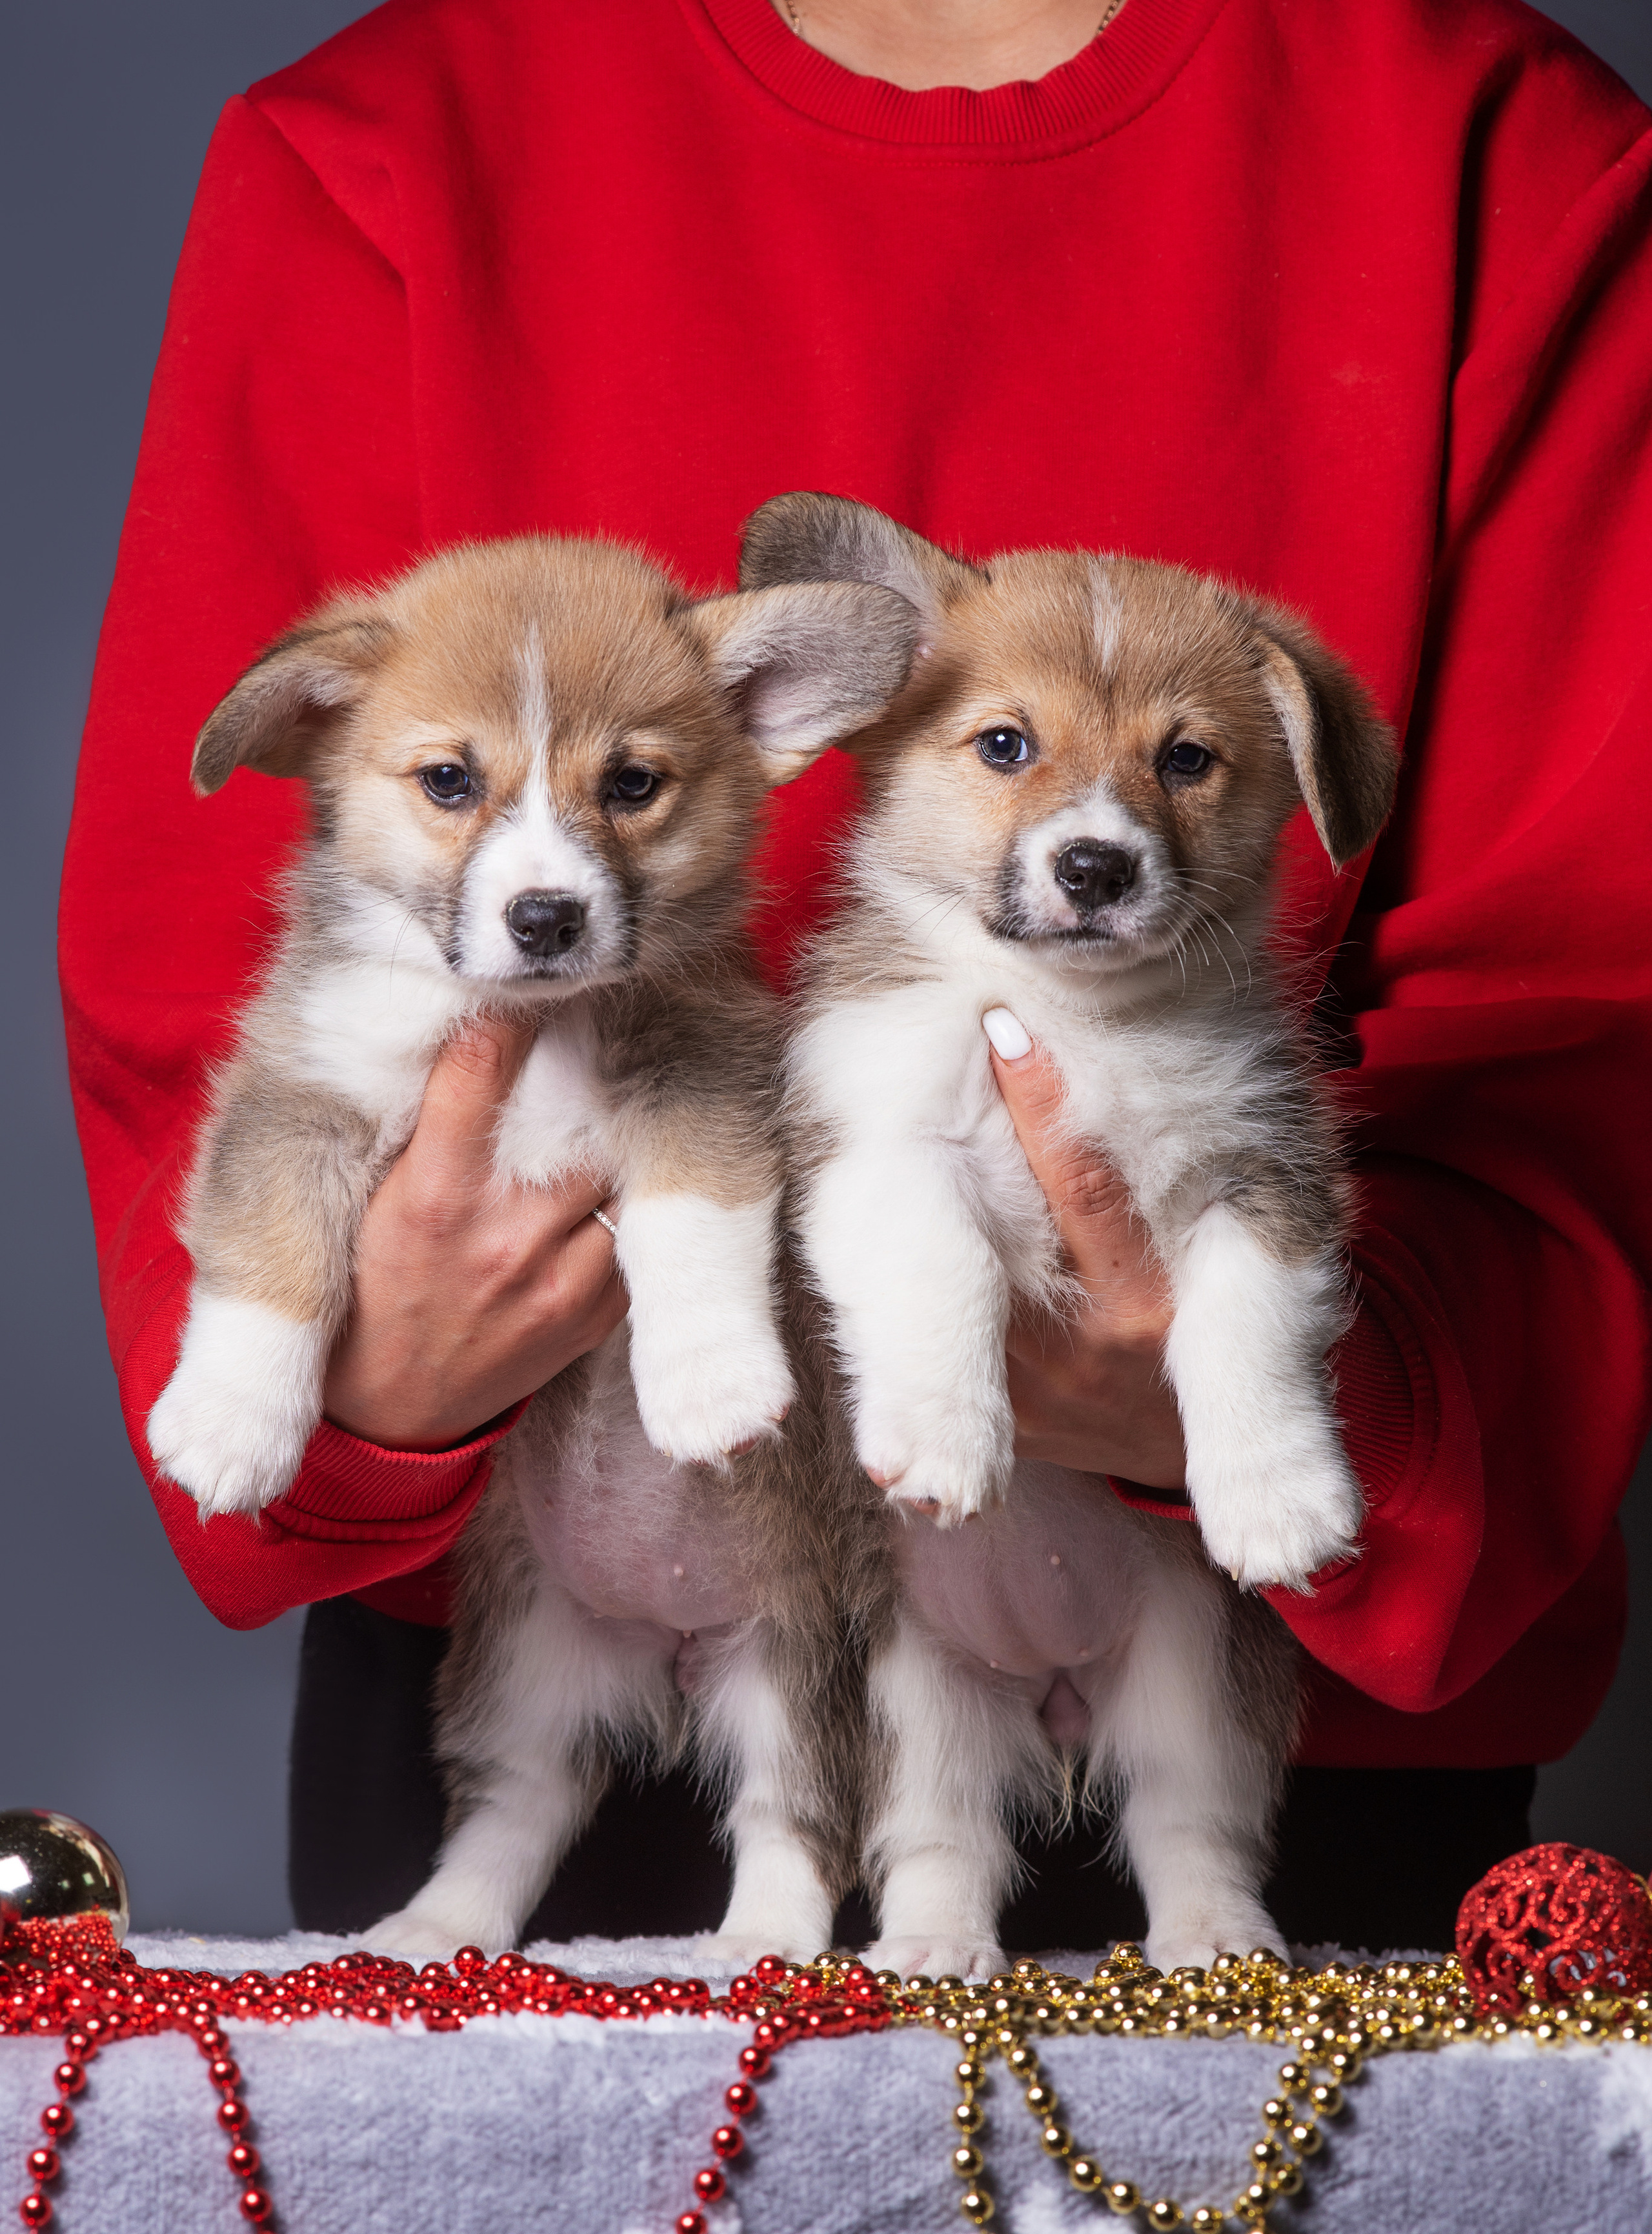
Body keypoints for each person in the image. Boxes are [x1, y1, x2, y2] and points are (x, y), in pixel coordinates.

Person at [61, 0, 1652, 1951]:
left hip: (1289, 1674)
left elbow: (1580, 1044)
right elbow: (211, 1001)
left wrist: (1238, 1403)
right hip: (571, 1605)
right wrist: (351, 1369)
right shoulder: (384, 141)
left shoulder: (1497, 145)